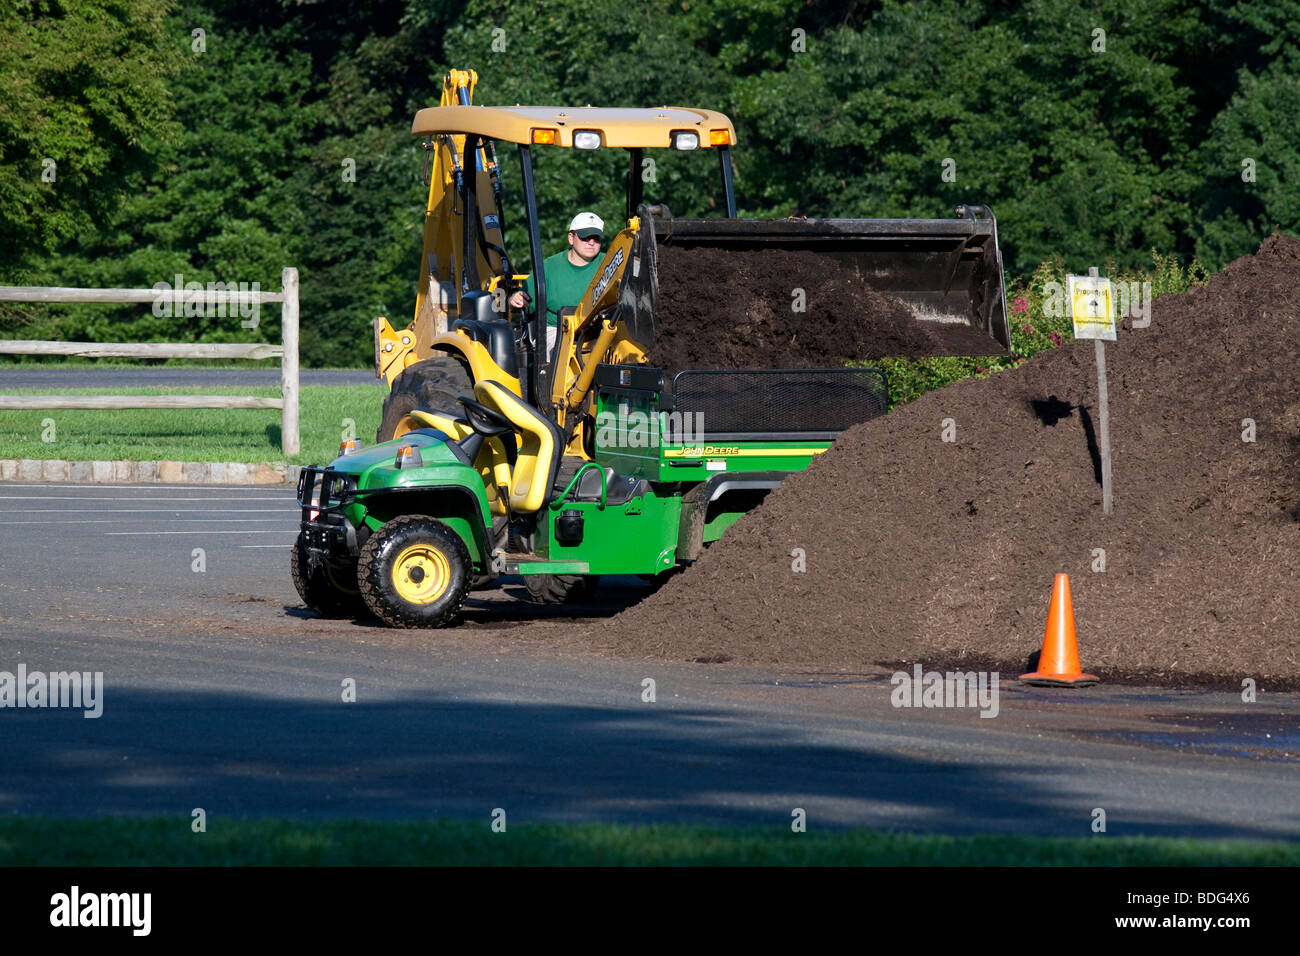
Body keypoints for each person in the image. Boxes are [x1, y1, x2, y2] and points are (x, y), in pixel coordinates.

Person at [509, 211, 605, 357]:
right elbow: (522, 301)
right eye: (585, 237)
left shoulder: (610, 263)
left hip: (599, 330)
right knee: (562, 355)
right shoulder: (548, 268)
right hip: (556, 329)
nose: (591, 242)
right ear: (571, 238)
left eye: (596, 238)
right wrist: (516, 299)